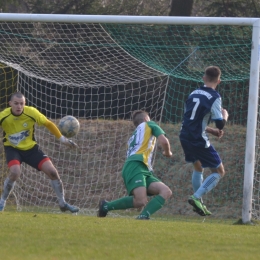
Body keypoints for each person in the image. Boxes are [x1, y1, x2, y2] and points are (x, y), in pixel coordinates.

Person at [0, 91, 79, 213]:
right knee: (15, 172)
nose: (19, 106)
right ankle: (2, 202)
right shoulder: (3, 116)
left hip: (31, 149)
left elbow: (48, 123)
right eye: (16, 103)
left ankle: (62, 203)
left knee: (52, 172)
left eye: (22, 104)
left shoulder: (31, 112)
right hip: (12, 149)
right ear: (10, 103)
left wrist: (63, 139)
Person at [97, 110, 172, 220]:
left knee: (166, 191)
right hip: (136, 165)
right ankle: (106, 206)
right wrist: (167, 152)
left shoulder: (134, 136)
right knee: (140, 201)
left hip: (142, 167)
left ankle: (143, 216)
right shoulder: (150, 124)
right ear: (146, 119)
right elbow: (164, 142)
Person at [179, 66, 229, 216]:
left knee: (198, 167)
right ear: (219, 81)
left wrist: (211, 130)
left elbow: (191, 120)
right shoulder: (215, 96)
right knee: (219, 171)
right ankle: (195, 197)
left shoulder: (193, 93)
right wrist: (225, 115)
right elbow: (220, 123)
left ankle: (198, 203)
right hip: (198, 139)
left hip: (184, 135)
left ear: (204, 78)